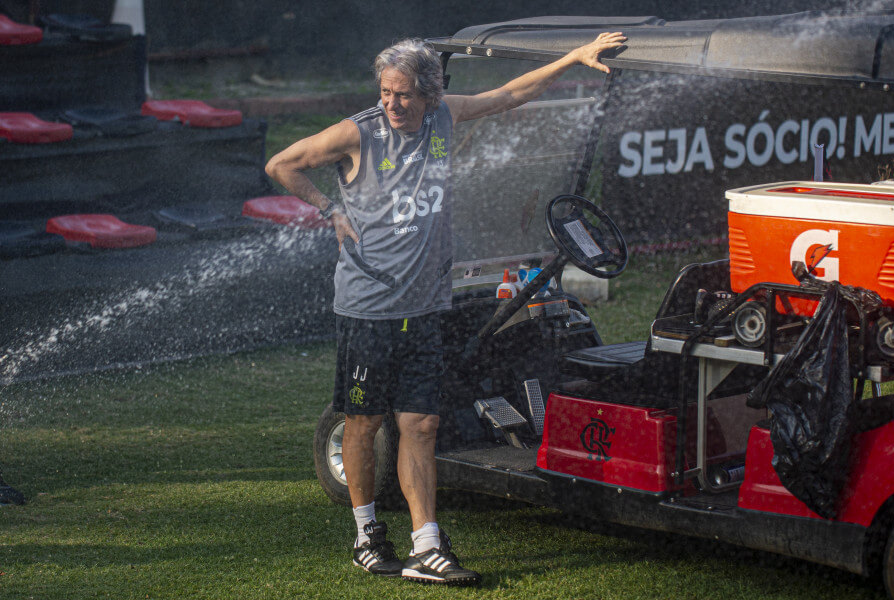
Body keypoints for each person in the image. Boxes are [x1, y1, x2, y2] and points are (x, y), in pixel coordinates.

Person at [266, 31, 626, 586]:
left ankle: (427, 544)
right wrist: (329, 210)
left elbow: (509, 95)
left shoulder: (443, 118)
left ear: (431, 95)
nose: (392, 103)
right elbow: (281, 165)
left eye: (404, 94)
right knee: (362, 423)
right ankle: (367, 536)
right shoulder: (357, 133)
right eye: (386, 92)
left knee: (424, 423)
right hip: (368, 311)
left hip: (426, 309)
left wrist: (575, 57)